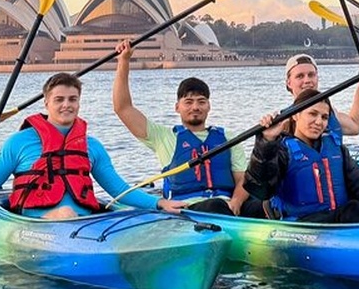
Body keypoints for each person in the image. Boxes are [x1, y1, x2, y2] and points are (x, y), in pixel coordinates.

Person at [0, 73, 184, 219]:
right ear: (46, 103)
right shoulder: (18, 142)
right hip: (35, 221)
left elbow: (118, 189)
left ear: (79, 102)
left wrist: (159, 203)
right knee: (66, 213)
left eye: (72, 99)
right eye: (59, 99)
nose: (66, 105)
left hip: (85, 223)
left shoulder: (92, 146)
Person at [113, 40, 264, 217]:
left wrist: (236, 202)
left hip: (228, 206)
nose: (195, 107)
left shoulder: (229, 138)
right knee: (214, 205)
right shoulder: (163, 137)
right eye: (188, 102)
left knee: (266, 204)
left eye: (201, 102)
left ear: (209, 106)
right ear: (177, 107)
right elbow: (123, 108)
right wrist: (124, 61)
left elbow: (242, 180)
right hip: (188, 209)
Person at [243, 88, 359, 223]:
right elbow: (261, 189)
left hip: (337, 218)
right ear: (295, 115)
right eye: (312, 114)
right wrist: (266, 141)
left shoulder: (336, 149)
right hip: (303, 223)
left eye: (324, 117)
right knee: (352, 209)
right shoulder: (281, 150)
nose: (319, 122)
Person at [284, 53, 359, 140]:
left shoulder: (330, 113)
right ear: (289, 83)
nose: (307, 80)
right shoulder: (282, 121)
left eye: (311, 75)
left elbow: (355, 126)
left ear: (317, 78)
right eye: (300, 76)